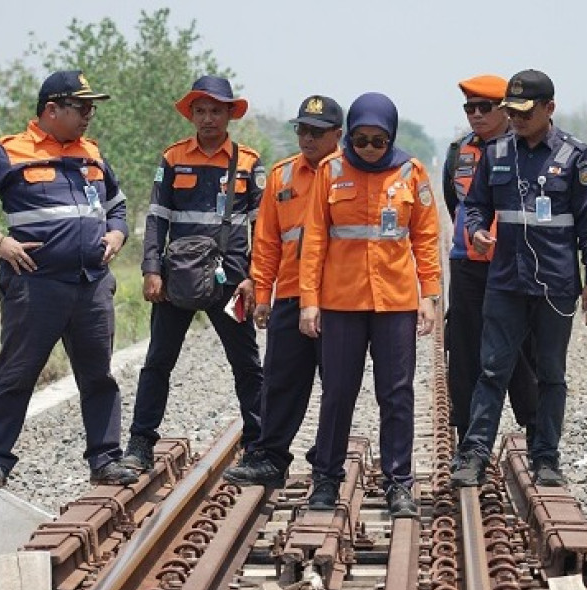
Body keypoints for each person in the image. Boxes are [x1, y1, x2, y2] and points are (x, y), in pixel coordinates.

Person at [0, 70, 133, 488]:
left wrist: (117, 233)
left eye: (91, 108)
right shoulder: (10, 152)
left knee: (98, 376)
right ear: (52, 109)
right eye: (81, 108)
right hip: (35, 286)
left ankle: (105, 459)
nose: (89, 115)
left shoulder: (91, 153)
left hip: (91, 284)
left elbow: (117, 204)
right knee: (17, 374)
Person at [451, 69, 587, 488]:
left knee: (550, 374)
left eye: (524, 112)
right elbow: (476, 204)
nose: (516, 119)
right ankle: (474, 455)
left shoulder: (575, 156)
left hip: (556, 285)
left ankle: (546, 458)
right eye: (512, 112)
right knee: (491, 371)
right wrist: (477, 230)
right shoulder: (497, 152)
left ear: (549, 108)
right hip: (505, 282)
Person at [299, 92, 442, 517]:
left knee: (396, 395)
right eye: (360, 140)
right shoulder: (330, 171)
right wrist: (309, 301)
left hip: (395, 303)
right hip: (341, 302)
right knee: (337, 392)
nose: (368, 149)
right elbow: (314, 240)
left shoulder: (411, 172)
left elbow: (426, 238)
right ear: (349, 137)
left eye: (379, 141)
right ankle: (326, 479)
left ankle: (399, 483)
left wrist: (429, 295)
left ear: (392, 138)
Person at [125, 75, 265, 471]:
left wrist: (255, 277)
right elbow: (157, 218)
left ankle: (259, 444)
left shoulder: (248, 162)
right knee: (158, 361)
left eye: (216, 111)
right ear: (191, 115)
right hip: (177, 279)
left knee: (247, 365)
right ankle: (140, 443)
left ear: (229, 114)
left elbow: (264, 228)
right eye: (200, 111)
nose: (208, 118)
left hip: (231, 280)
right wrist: (152, 268)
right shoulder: (173, 158)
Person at [223, 95, 344, 488]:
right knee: (280, 381)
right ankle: (270, 458)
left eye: (317, 132)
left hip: (337, 298)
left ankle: (326, 462)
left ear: (337, 135)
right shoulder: (282, 175)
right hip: (291, 293)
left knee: (336, 385)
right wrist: (263, 292)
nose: (307, 138)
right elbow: (267, 240)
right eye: (302, 130)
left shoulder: (349, 174)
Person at [443, 74, 539, 444]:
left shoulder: (525, 148)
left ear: (506, 109)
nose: (476, 115)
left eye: (485, 107)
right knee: (465, 350)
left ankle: (536, 432)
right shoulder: (458, 153)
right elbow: (456, 204)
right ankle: (468, 437)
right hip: (468, 264)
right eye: (470, 108)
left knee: (523, 352)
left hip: (516, 263)